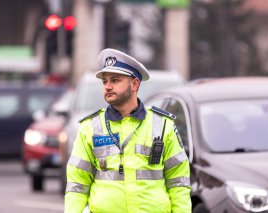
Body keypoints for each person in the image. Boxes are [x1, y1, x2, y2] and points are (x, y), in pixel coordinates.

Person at [64, 48, 191, 213]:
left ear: (134, 84)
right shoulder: (90, 127)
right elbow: (77, 185)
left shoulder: (163, 125)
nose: (108, 86)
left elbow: (179, 182)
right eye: (105, 81)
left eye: (115, 80)